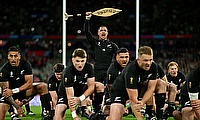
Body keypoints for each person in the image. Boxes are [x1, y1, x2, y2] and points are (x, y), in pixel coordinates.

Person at [107, 46, 166, 120]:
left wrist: (142, 103)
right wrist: (139, 117)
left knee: (161, 83)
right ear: (139, 60)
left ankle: (157, 116)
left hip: (138, 88)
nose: (148, 63)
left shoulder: (153, 66)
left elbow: (151, 88)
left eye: (150, 60)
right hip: (120, 92)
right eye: (145, 60)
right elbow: (133, 99)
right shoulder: (131, 70)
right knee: (114, 119)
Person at [0, 46, 54, 120]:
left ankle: (46, 112)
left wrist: (15, 92)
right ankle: (13, 114)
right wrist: (17, 107)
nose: (13, 59)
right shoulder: (4, 70)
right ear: (8, 57)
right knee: (1, 110)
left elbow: (29, 83)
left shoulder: (25, 65)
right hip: (10, 96)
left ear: (19, 56)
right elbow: (6, 93)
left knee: (43, 86)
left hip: (22, 91)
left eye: (15, 56)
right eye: (11, 56)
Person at [54, 48, 104, 120]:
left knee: (99, 86)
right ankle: (79, 110)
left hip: (81, 92)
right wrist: (74, 116)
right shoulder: (67, 72)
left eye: (82, 61)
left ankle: (97, 111)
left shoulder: (89, 67)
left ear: (86, 60)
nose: (80, 64)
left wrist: (80, 98)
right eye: (77, 61)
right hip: (65, 95)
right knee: (57, 117)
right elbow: (70, 97)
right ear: (72, 60)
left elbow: (91, 87)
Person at [84, 12, 119, 115]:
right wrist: (87, 19)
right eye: (101, 30)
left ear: (107, 33)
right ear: (98, 33)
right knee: (96, 90)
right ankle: (94, 108)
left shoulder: (112, 45)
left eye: (105, 30)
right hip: (97, 71)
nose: (103, 32)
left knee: (108, 90)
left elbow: (119, 57)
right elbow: (86, 31)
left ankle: (105, 108)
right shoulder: (94, 43)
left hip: (108, 71)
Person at [103, 47, 130, 115]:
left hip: (129, 93)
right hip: (114, 92)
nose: (124, 59)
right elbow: (110, 88)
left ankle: (130, 109)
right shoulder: (112, 70)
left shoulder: (132, 67)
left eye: (126, 57)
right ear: (117, 58)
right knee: (107, 111)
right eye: (122, 57)